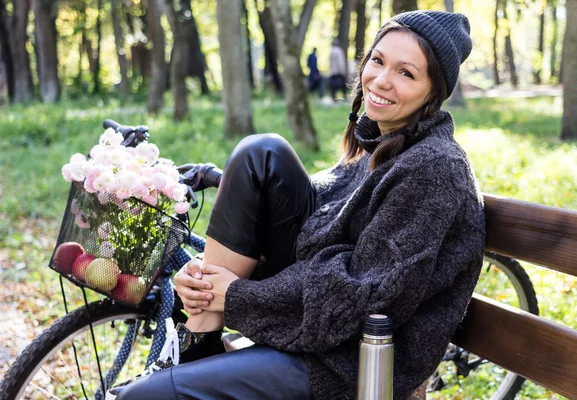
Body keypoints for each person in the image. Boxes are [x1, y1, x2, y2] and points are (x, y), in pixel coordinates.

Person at [107, 10, 485, 400]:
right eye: (378, 60)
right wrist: (208, 282)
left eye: (406, 73)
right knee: (261, 153)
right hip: (323, 324)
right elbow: (326, 203)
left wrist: (237, 296)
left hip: (351, 360)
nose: (381, 80)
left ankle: (196, 345)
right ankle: (201, 331)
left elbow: (370, 297)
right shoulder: (381, 139)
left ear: (432, 92)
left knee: (143, 397)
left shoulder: (433, 168)